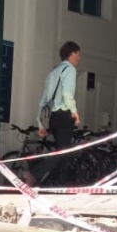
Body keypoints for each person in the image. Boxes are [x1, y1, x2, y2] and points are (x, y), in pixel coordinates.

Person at [30, 41, 82, 187]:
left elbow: (44, 100)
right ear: (72, 54)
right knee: (63, 151)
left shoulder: (53, 72)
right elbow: (67, 93)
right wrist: (74, 112)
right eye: (79, 54)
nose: (80, 58)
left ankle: (61, 183)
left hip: (53, 117)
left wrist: (40, 123)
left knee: (62, 152)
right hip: (64, 115)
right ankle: (36, 173)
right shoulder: (70, 70)